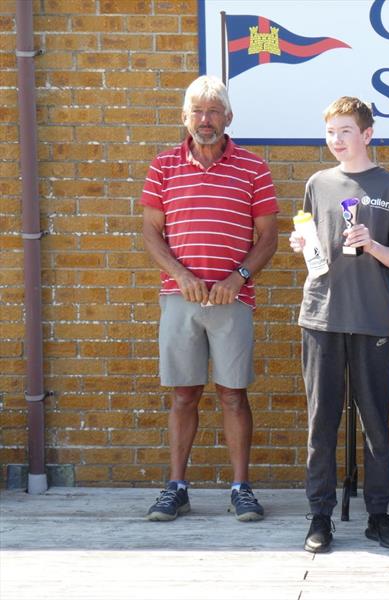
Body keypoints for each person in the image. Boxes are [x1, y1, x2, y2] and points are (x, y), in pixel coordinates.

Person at [140, 75, 278, 522]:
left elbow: (269, 238)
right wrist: (180, 275)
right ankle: (176, 487)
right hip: (180, 298)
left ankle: (241, 487)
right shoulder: (163, 166)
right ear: (185, 118)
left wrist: (238, 278)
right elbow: (150, 232)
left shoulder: (254, 169)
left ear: (229, 117)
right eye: (197, 111)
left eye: (214, 111)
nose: (205, 119)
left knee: (234, 394)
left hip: (232, 300)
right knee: (184, 395)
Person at [289, 96, 389, 553]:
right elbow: (309, 244)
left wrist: (374, 245)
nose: (336, 140)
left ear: (367, 134)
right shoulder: (318, 183)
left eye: (345, 131)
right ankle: (319, 517)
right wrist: (300, 242)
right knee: (320, 421)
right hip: (321, 315)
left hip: (371, 317)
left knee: (375, 423)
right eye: (330, 132)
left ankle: (379, 515)